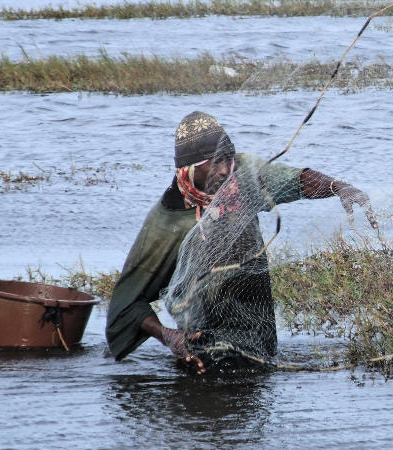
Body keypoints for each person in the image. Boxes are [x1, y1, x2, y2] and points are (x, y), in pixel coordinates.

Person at [105, 110, 376, 374]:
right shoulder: (167, 221)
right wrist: (169, 337)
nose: (224, 170)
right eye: (213, 162)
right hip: (203, 348)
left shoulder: (242, 176)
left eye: (228, 159)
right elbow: (126, 304)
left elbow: (295, 180)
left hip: (259, 333)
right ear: (187, 169)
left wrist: (339, 187)